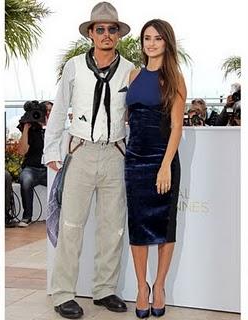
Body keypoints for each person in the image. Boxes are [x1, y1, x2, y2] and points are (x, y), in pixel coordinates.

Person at [43, 2, 134, 319]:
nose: (106, 34)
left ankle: (105, 289)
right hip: (80, 151)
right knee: (71, 226)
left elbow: (135, 114)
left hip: (115, 154)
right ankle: (63, 293)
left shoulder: (130, 69)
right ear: (91, 34)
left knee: (113, 228)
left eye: (112, 29)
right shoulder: (73, 67)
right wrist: (52, 149)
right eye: (100, 29)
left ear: (118, 35)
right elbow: (59, 109)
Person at [125, 19, 187, 318]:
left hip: (162, 161)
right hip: (134, 160)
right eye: (147, 38)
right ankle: (141, 288)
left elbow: (177, 127)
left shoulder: (174, 78)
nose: (151, 43)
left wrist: (165, 167)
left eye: (158, 38)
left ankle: (159, 286)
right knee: (137, 226)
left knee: (163, 226)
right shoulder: (134, 74)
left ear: (167, 43)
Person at [17, 100, 52, 227]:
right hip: (31, 168)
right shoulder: (32, 130)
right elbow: (21, 152)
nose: (47, 114)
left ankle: (60, 215)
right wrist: (26, 129)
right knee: (26, 180)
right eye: (45, 111)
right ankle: (27, 217)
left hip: (50, 169)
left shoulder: (56, 130)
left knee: (64, 183)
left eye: (50, 111)